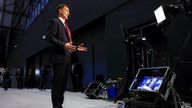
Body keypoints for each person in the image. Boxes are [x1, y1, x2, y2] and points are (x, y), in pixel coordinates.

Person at [46, 3, 87, 108]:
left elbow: (68, 45)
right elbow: (50, 37)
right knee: (57, 84)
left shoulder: (66, 26)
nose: (69, 13)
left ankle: (59, 104)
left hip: (67, 58)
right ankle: (56, 106)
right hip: (59, 58)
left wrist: (76, 48)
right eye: (66, 11)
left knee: (63, 84)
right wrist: (63, 45)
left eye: (69, 12)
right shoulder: (55, 22)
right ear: (60, 10)